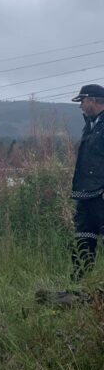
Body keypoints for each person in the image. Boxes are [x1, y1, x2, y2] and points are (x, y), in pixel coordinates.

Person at [70, 84, 104, 280]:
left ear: (92, 100)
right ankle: (80, 286)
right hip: (85, 192)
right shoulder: (90, 125)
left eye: (83, 100)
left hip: (101, 192)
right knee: (83, 238)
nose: (81, 105)